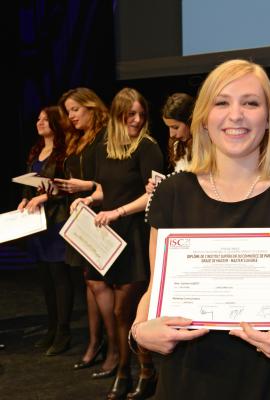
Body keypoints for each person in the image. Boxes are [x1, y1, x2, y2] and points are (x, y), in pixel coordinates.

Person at [130, 59, 270, 400]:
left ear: (269, 119)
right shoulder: (172, 194)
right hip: (187, 378)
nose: (236, 115)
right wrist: (139, 331)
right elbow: (155, 288)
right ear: (204, 118)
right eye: (222, 102)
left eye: (250, 103)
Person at [71, 87, 163, 399]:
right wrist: (87, 199)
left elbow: (153, 193)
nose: (137, 120)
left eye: (141, 114)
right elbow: (103, 189)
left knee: (127, 309)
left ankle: (140, 370)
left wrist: (118, 211)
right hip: (108, 235)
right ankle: (129, 371)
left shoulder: (147, 147)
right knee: (118, 311)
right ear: (117, 116)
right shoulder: (103, 148)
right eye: (130, 115)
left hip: (135, 234)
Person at [55, 87, 113, 372]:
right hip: (80, 218)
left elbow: (112, 182)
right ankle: (95, 342)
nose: (71, 116)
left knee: (99, 283)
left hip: (101, 216)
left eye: (75, 109)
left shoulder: (106, 138)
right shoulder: (78, 139)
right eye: (68, 112)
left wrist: (86, 186)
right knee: (89, 283)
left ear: (91, 107)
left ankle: (114, 349)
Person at [18, 106, 73, 356]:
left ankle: (63, 332)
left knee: (59, 277)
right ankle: (51, 328)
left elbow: (66, 187)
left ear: (56, 122)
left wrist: (45, 198)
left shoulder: (65, 153)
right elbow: (30, 183)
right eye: (38, 118)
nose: (39, 122)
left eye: (45, 119)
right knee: (45, 279)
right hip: (38, 223)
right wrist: (25, 199)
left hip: (57, 220)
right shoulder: (36, 150)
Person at [144, 93, 194, 195]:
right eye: (169, 127)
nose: (171, 134)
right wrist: (160, 188)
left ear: (190, 121)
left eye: (175, 127)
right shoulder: (177, 146)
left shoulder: (209, 146)